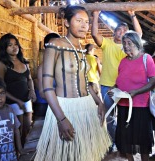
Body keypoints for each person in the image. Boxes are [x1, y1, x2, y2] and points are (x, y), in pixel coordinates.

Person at [34, 5, 111, 161]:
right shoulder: (55, 45)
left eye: (87, 22)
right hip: (65, 108)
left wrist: (99, 103)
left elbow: (85, 83)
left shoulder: (81, 49)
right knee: (67, 155)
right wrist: (61, 119)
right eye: (79, 21)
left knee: (88, 154)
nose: (84, 25)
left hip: (87, 106)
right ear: (67, 23)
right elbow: (47, 87)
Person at [91, 10, 142, 151]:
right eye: (120, 30)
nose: (122, 32)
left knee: (126, 115)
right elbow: (95, 34)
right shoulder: (107, 43)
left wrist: (132, 15)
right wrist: (95, 15)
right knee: (109, 117)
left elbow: (139, 35)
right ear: (114, 32)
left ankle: (125, 142)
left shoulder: (128, 45)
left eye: (125, 30)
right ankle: (112, 142)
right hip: (108, 86)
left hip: (125, 87)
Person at [109, 31, 155, 161]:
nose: (126, 46)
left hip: (140, 106)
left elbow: (154, 80)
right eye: (124, 43)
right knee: (126, 138)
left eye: (129, 43)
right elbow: (119, 81)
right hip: (123, 106)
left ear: (137, 43)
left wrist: (136, 92)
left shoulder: (146, 58)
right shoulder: (123, 61)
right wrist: (114, 89)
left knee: (142, 139)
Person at [0, 33, 37, 146]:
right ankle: (18, 152)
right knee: (18, 130)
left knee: (28, 128)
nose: (14, 47)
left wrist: (32, 90)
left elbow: (29, 79)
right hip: (13, 102)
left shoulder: (24, 62)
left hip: (26, 100)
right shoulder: (2, 65)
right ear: (4, 48)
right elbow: (1, 88)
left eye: (16, 44)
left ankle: (25, 150)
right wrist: (17, 101)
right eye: (10, 45)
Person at [0, 76, 27, 161]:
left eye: (2, 93)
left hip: (11, 155)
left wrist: (19, 149)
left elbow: (16, 129)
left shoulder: (9, 109)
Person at [33, 33, 60, 120]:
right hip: (45, 106)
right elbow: (42, 93)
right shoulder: (43, 67)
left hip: (59, 104)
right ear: (46, 47)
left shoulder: (63, 65)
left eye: (58, 44)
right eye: (52, 45)